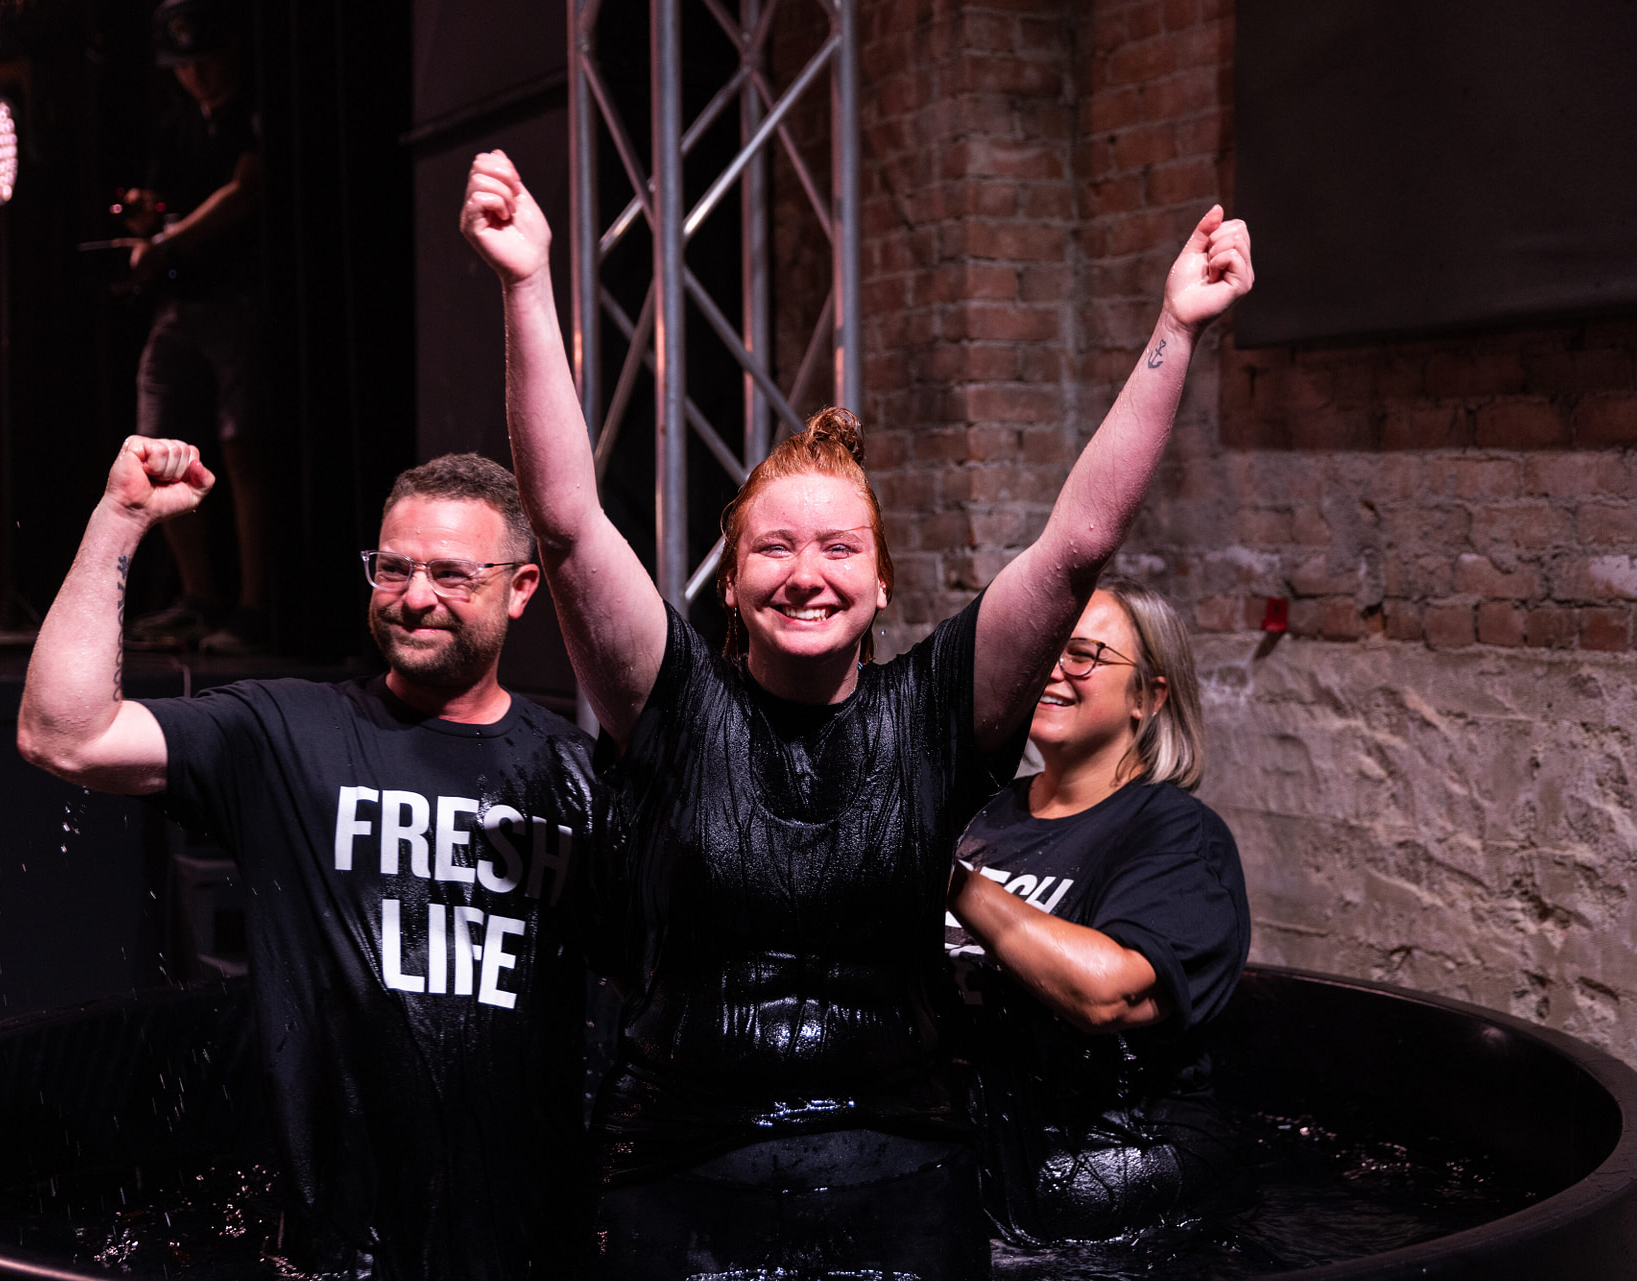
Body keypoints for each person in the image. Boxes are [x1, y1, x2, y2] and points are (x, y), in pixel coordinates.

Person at [460, 147, 1252, 1279]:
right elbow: (572, 524)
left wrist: (1176, 329)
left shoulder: (938, 714)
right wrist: (527, 286)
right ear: (729, 585)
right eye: (772, 549)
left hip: (902, 1172)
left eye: (840, 548)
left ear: (882, 583)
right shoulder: (672, 706)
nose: (805, 573)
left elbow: (1077, 541)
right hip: (685, 1172)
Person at [16, 440, 601, 1279]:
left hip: (530, 1252)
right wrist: (121, 521)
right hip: (332, 1253)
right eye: (393, 569)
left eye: (451, 574)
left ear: (521, 588)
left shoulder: (574, 778)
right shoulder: (286, 731)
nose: (416, 597)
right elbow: (61, 734)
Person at [945, 577, 1251, 1244]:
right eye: (1044, 645)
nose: (1051, 667)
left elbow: (1105, 994)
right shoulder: (984, 816)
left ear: (1148, 695)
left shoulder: (1176, 835)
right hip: (979, 1180)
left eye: (1082, 653)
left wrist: (950, 879)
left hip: (1115, 1202)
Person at [116, 0, 270, 654]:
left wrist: (170, 241)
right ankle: (197, 597)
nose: (197, 75)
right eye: (184, 65)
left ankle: (252, 609)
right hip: (180, 308)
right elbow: (151, 209)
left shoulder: (252, 114)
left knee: (241, 451)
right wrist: (140, 222)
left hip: (236, 302)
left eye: (204, 59)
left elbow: (246, 191)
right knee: (158, 448)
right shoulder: (176, 122)